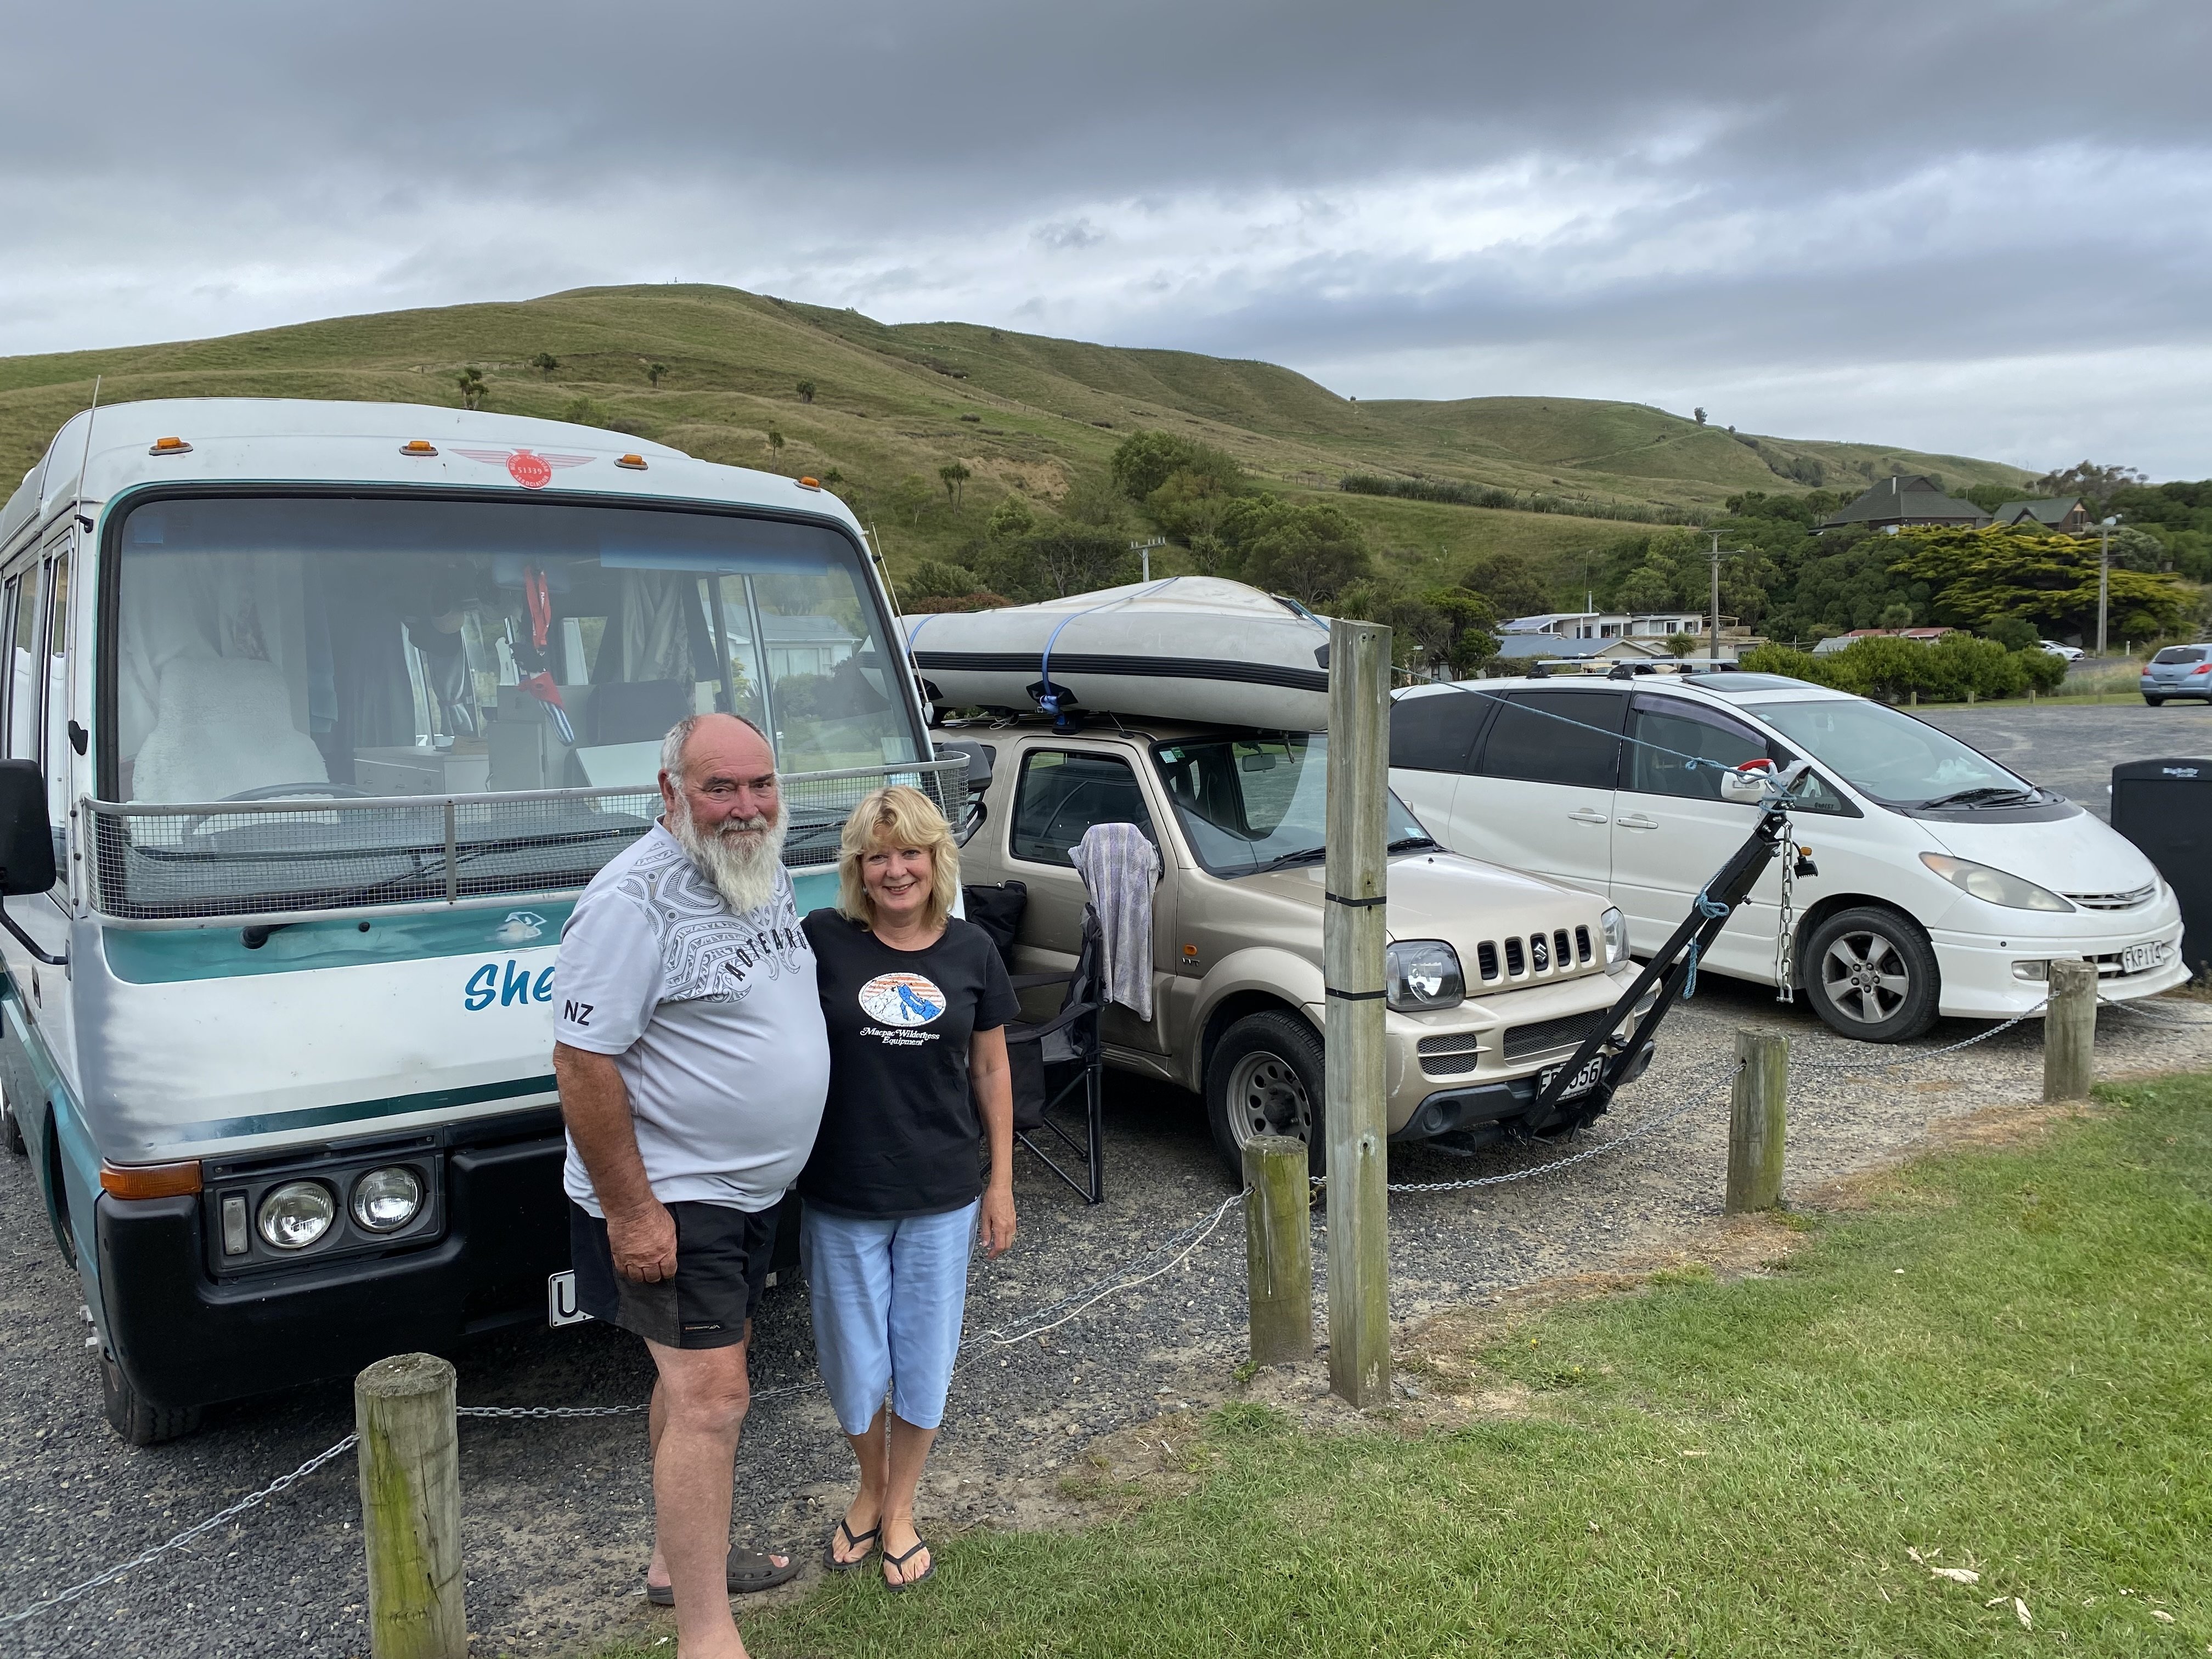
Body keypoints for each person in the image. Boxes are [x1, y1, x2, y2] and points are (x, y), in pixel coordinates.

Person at [554, 712, 823, 1659]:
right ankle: (707, 1638)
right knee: (714, 1398)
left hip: (745, 1192)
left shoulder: (759, 864)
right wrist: (632, 1211)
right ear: (670, 792)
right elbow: (583, 1063)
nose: (745, 806)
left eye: (760, 784)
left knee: (689, 1383)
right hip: (676, 1193)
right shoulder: (631, 900)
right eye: (720, 788)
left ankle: (679, 1569)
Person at [798, 785, 1019, 1590]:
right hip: (841, 1193)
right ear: (859, 868)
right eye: (879, 856)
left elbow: (991, 1069)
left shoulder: (972, 951)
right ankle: (870, 1484)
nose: (896, 870)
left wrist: (1000, 1183)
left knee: (923, 1359)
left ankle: (899, 1508)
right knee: (854, 1366)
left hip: (943, 1193)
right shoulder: (820, 939)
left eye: (911, 853)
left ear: (936, 861)